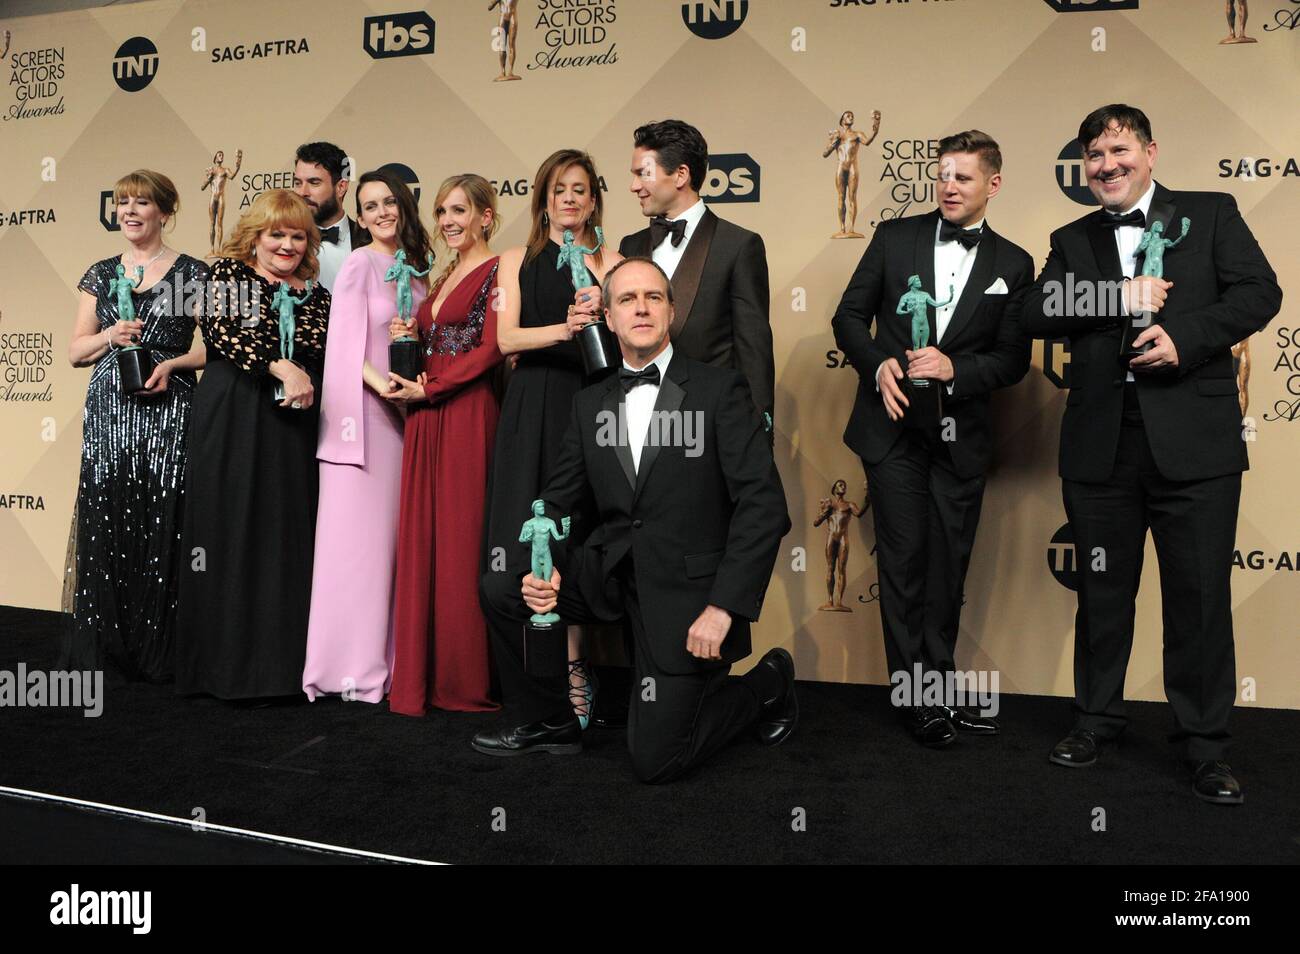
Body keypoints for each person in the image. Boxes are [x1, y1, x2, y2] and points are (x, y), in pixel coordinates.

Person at [1023, 105, 1282, 804]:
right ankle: (1096, 720)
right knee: (1103, 596)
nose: (1106, 165)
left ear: (1150, 152)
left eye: (1118, 150)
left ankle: (1204, 746)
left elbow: (1262, 292)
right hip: (1103, 447)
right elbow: (1035, 310)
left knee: (1198, 601)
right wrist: (1116, 294)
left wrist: (1187, 337)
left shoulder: (1212, 212)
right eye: (1093, 155)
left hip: (1195, 447)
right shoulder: (1071, 237)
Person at [471, 257, 794, 783]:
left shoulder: (720, 390)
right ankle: (551, 722)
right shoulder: (589, 402)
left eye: (652, 297)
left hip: (687, 594)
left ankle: (766, 686)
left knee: (656, 758)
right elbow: (557, 500)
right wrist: (543, 563)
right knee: (504, 587)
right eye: (626, 299)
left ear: (670, 309)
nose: (640, 308)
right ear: (609, 318)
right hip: (611, 573)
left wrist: (723, 605)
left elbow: (764, 507)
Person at [831, 130, 1034, 748]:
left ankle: (940, 690)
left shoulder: (1014, 264)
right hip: (892, 430)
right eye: (942, 174)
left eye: (964, 177)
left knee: (948, 566)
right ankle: (917, 697)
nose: (948, 185)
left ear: (992, 184)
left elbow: (1012, 361)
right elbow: (847, 317)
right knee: (904, 563)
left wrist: (956, 369)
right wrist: (876, 364)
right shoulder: (896, 238)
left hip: (960, 437)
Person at [479, 149, 622, 729]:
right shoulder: (516, 258)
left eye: (580, 189)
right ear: (543, 198)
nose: (569, 198)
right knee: (518, 541)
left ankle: (574, 671)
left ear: (593, 200)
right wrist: (566, 326)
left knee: (574, 539)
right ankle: (527, 687)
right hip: (529, 407)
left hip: (586, 407)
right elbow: (507, 340)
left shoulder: (613, 263)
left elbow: (628, 347)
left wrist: (602, 311)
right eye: (558, 189)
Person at [174, 190, 331, 701]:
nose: (286, 245)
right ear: (256, 237)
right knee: (228, 526)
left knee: (284, 531)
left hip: (293, 423)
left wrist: (297, 370)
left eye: (297, 236)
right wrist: (279, 364)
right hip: (234, 412)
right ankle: (222, 670)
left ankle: (281, 671)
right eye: (276, 234)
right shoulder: (227, 276)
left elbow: (322, 348)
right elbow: (224, 334)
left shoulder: (317, 294)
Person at [62, 170, 208, 683]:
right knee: (110, 514)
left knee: (164, 516)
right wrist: (109, 334)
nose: (129, 210)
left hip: (170, 406)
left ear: (165, 213)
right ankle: (110, 646)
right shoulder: (100, 273)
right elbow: (76, 351)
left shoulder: (193, 272)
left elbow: (208, 350)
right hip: (110, 407)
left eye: (141, 202)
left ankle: (161, 648)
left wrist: (172, 366)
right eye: (123, 202)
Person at [302, 171, 433, 703]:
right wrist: (389, 389)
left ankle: (389, 660)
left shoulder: (420, 273)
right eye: (369, 206)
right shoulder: (359, 263)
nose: (380, 212)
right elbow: (342, 347)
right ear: (358, 216)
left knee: (389, 552)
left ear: (404, 205)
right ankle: (344, 671)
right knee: (352, 552)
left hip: (406, 424)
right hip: (364, 423)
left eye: (387, 202)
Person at [384, 174, 503, 714]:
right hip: (426, 415)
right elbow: (441, 341)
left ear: (486, 216)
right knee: (425, 540)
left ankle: (462, 680)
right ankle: (421, 679)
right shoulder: (443, 273)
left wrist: (434, 385)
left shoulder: (501, 269)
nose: (449, 221)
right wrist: (405, 343)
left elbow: (491, 348)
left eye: (460, 210)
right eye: (441, 212)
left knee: (459, 542)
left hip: (466, 413)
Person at [617, 119, 773, 430]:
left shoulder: (739, 246)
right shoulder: (630, 245)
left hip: (709, 423)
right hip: (637, 421)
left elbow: (753, 352)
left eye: (642, 173)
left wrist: (755, 432)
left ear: (681, 175)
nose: (634, 186)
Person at [293, 141, 368, 291]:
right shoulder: (275, 240)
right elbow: (245, 300)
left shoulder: (371, 243)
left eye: (314, 182)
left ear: (341, 187)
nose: (302, 192)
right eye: (298, 183)